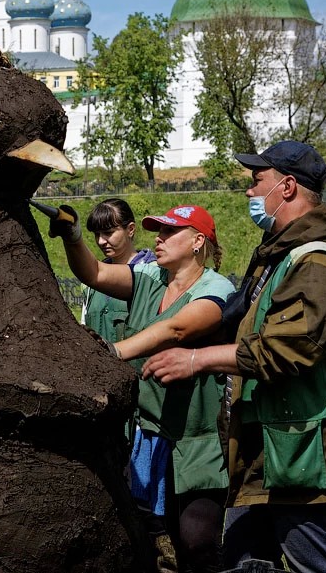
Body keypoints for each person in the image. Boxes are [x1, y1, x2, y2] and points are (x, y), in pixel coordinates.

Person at [143, 141, 326, 573]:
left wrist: (196, 361)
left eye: (257, 182)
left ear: (287, 187)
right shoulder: (279, 256)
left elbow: (289, 348)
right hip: (264, 450)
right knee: (244, 563)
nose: (250, 193)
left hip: (300, 456)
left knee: (320, 566)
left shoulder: (318, 262)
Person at [47, 202, 234, 573]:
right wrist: (73, 238)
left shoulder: (218, 288)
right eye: (157, 231)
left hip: (197, 438)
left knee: (196, 539)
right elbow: (95, 273)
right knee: (156, 534)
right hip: (150, 431)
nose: (158, 239)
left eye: (169, 232)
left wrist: (112, 352)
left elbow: (175, 329)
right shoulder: (148, 277)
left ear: (198, 241)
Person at [81, 198, 155, 340]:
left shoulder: (154, 276)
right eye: (97, 234)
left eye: (108, 233)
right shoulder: (89, 283)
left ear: (131, 229)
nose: (101, 241)